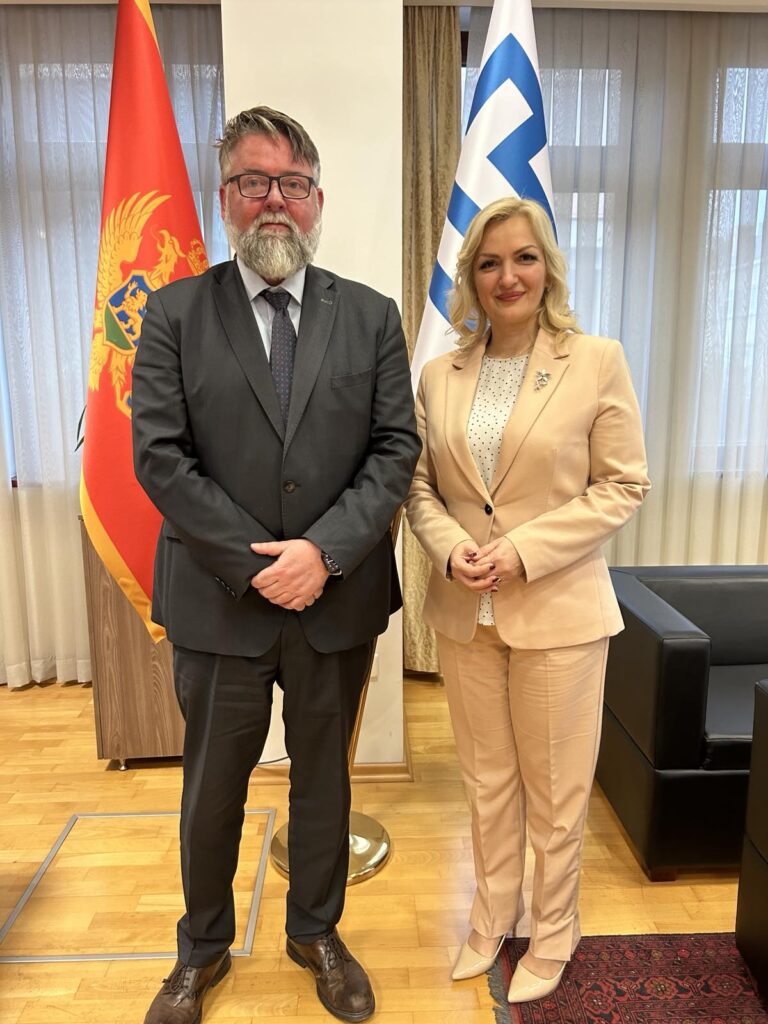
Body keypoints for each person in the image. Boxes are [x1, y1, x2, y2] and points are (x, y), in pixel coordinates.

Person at [132, 105, 420, 1024]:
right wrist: (260, 565)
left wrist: (322, 554)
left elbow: (394, 451)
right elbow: (160, 457)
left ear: (317, 201)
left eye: (292, 184)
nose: (274, 201)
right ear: (225, 198)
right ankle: (200, 948)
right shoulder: (174, 313)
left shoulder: (370, 316)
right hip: (220, 601)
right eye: (253, 182)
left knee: (324, 780)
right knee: (212, 787)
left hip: (336, 599)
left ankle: (316, 933)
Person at [405, 196, 650, 1004]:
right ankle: (492, 917)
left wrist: (524, 550)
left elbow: (623, 485)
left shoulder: (596, 360)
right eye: (489, 262)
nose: (507, 276)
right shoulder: (440, 374)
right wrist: (450, 548)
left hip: (559, 611)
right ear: (471, 278)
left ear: (548, 267)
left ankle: (554, 928)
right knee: (487, 783)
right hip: (465, 613)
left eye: (523, 258)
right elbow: (420, 488)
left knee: (555, 791)